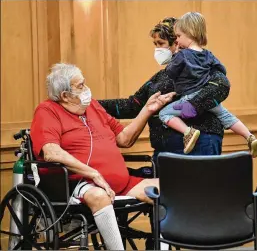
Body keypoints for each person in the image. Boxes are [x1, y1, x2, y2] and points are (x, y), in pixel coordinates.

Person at [30, 63, 175, 250]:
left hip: (120, 183)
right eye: (80, 86)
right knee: (99, 195)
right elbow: (51, 152)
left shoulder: (93, 107)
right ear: (65, 96)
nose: (86, 89)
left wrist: (147, 110)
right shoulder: (47, 111)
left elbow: (124, 139)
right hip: (78, 184)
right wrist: (93, 173)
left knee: (169, 189)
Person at [99, 17, 229, 165]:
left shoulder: (202, 64)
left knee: (198, 188)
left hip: (200, 144)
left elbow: (221, 85)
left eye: (161, 43)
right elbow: (132, 105)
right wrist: (93, 105)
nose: (157, 49)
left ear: (177, 42)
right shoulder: (161, 76)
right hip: (164, 150)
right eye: (155, 44)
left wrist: (190, 106)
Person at [158, 12, 257, 157]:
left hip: (190, 97)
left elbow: (169, 72)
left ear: (190, 33)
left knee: (164, 113)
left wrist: (174, 56)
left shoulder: (182, 55)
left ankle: (188, 132)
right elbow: (222, 70)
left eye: (179, 36)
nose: (177, 40)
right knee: (226, 116)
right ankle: (249, 137)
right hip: (207, 97)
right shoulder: (208, 54)